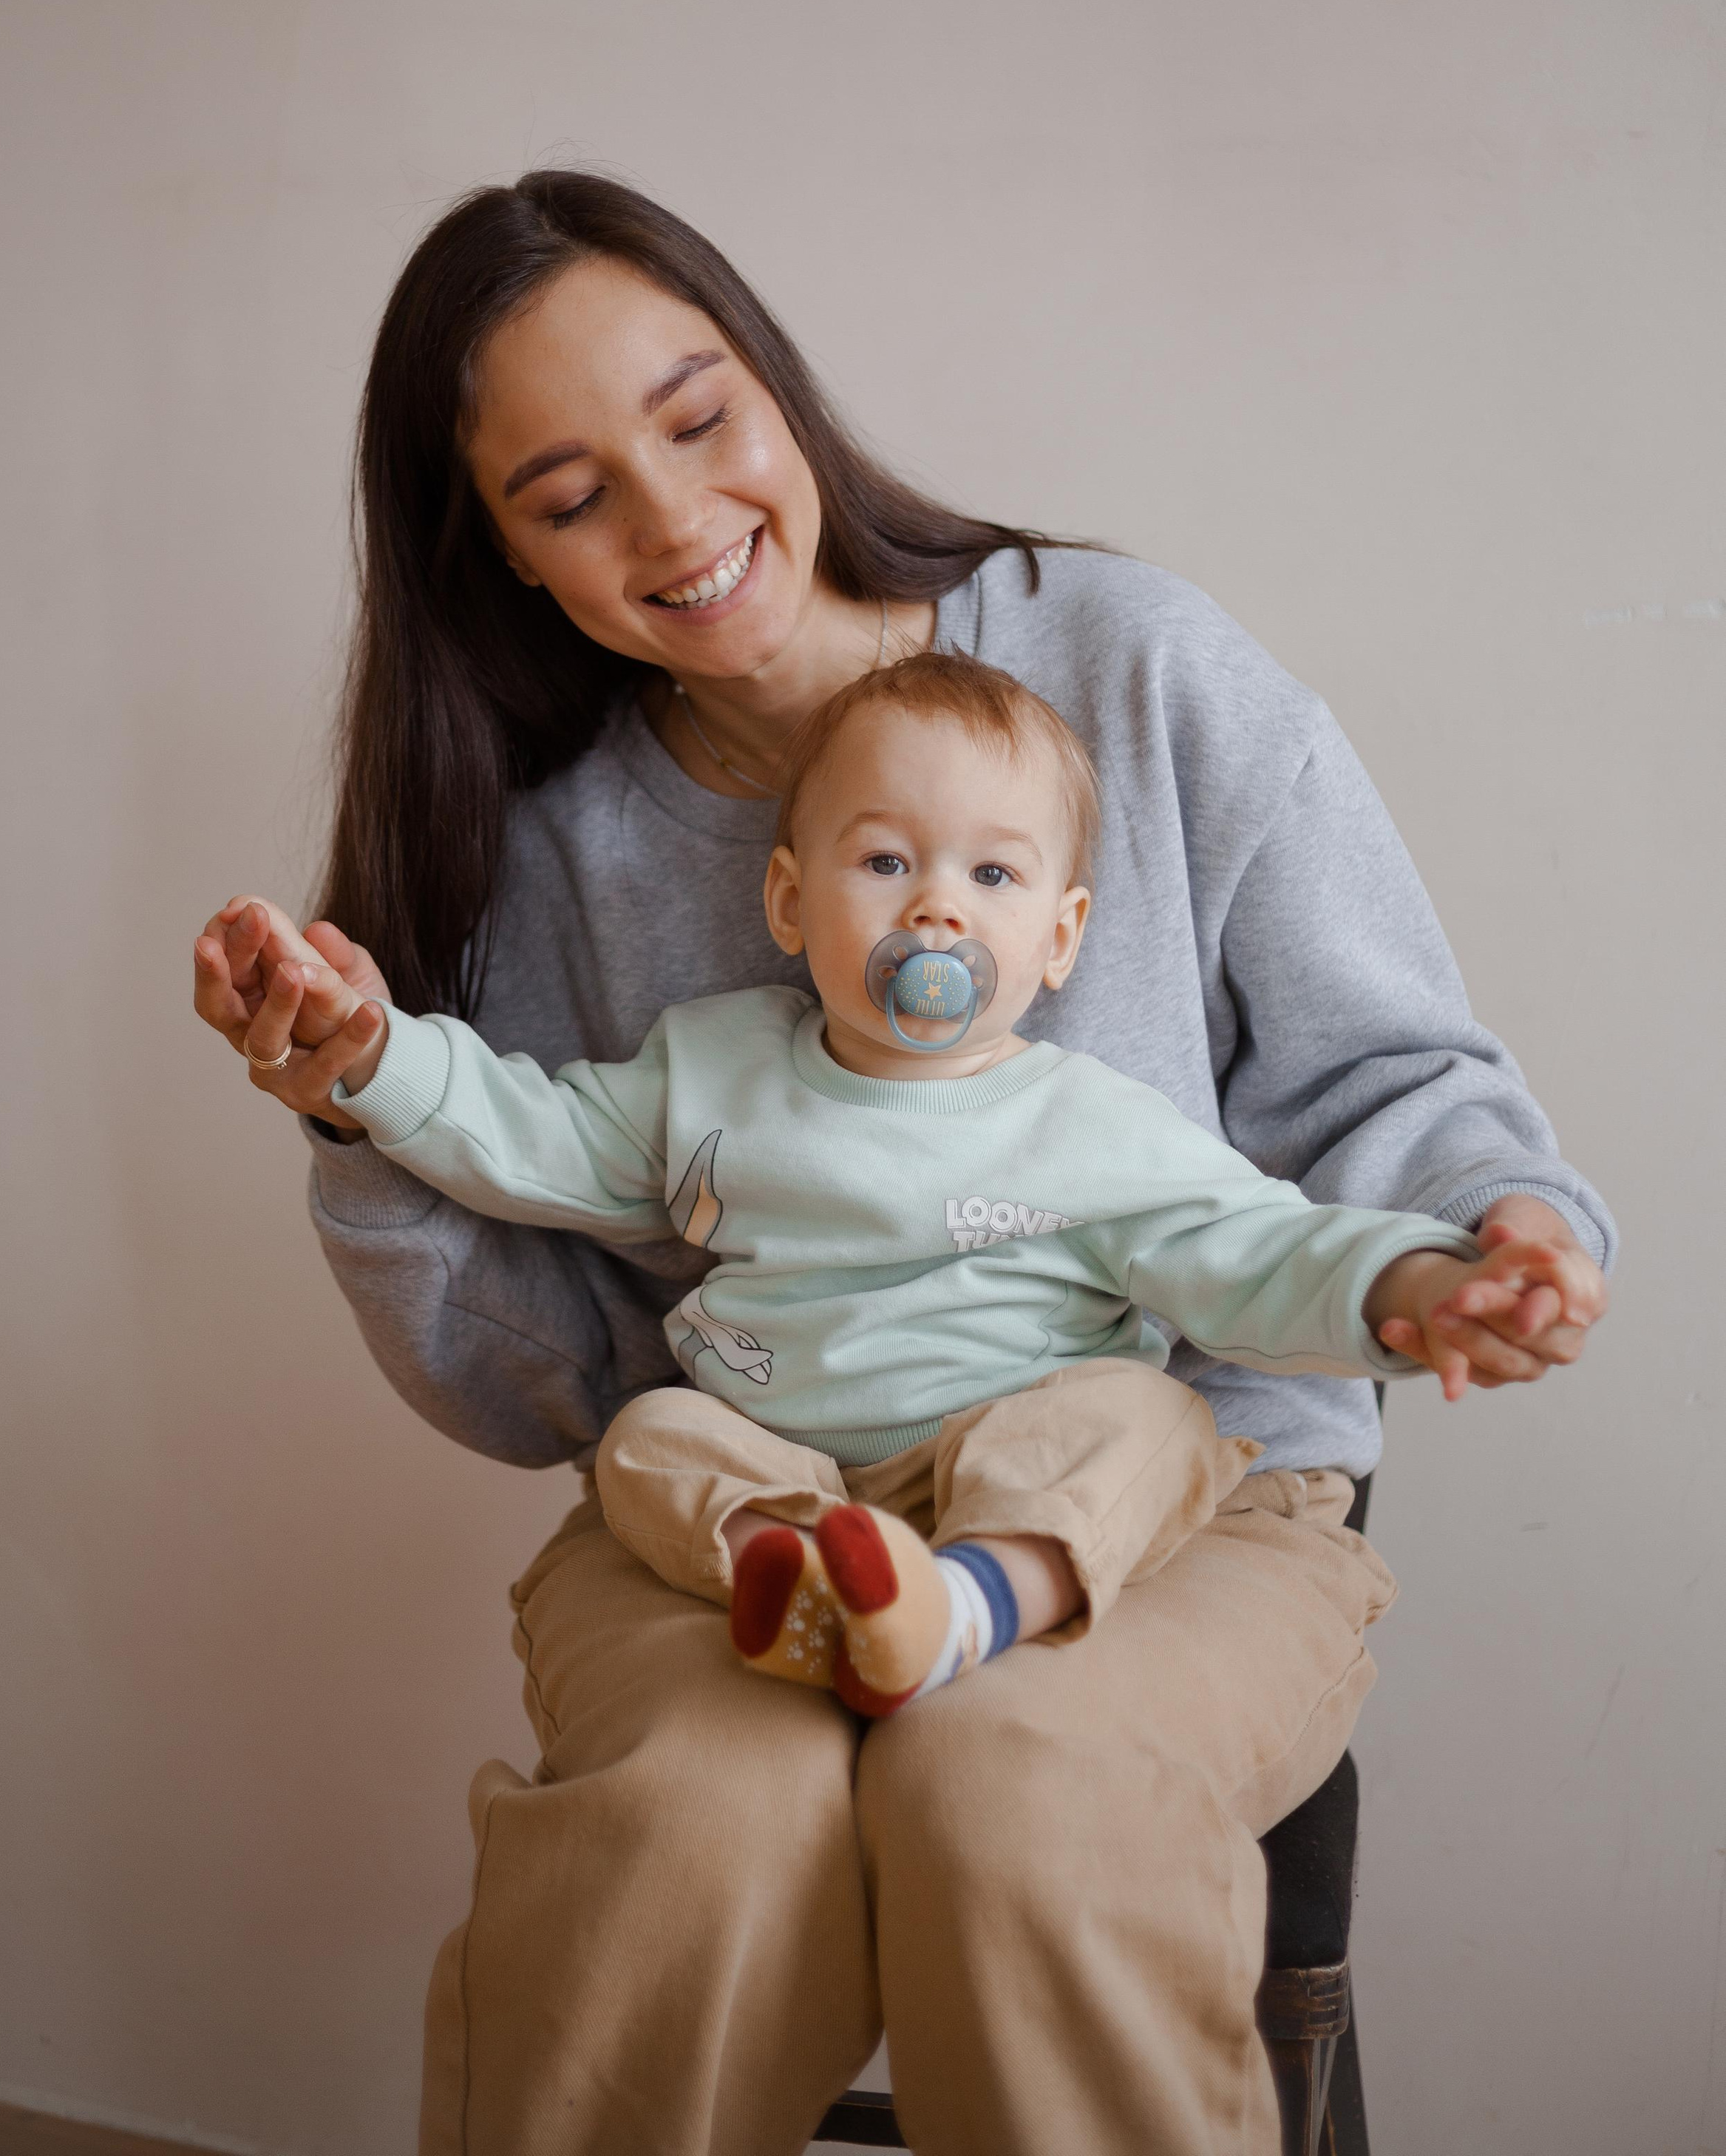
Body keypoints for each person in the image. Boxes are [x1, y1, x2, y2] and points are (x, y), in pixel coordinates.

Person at [192, 171, 1613, 2156]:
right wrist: (361, 1099)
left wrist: (1484, 1240)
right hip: (756, 1507)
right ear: (500, 556)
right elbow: (545, 1370)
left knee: (1022, 1789)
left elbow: (1367, 1103)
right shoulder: (561, 871)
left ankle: (973, 1604)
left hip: (1175, 1509)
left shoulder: (1126, 666)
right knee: (693, 1824)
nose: (677, 520)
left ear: (775, 386)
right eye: (569, 493)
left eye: (696, 419)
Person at [263, 647, 1596, 1724]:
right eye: (886, 862)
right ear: (791, 902)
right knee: (648, 1442)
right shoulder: (713, 1072)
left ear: (1060, 937)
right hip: (792, 1465)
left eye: (994, 873)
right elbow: (528, 1129)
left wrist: (1425, 1282)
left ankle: (960, 1607)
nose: (937, 911)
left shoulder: (1089, 1125)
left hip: (999, 1463)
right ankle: (789, 1581)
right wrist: (375, 1057)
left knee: (1147, 1420)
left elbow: (1257, 1250)